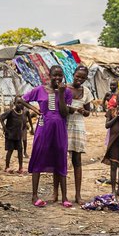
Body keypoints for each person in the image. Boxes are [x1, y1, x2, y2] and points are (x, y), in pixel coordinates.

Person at [22, 64, 72, 207]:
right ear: (49, 76)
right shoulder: (39, 90)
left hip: (60, 129)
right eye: (55, 75)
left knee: (61, 158)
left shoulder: (66, 92)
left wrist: (61, 94)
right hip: (43, 128)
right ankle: (34, 196)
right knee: (38, 157)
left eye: (60, 75)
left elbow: (64, 113)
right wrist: (35, 110)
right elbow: (20, 100)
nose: (57, 78)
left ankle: (64, 198)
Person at [65, 65, 94, 206]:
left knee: (77, 160)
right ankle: (61, 195)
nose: (79, 79)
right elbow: (59, 109)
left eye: (82, 78)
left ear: (85, 79)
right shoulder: (64, 89)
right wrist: (68, 110)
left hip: (78, 126)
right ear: (73, 74)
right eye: (78, 76)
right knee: (61, 160)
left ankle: (77, 195)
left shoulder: (86, 92)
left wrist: (83, 111)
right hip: (64, 125)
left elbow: (88, 112)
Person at [0, 97, 28, 174]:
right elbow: (1, 118)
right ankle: (7, 167)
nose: (20, 104)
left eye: (21, 103)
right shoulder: (11, 112)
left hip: (18, 136)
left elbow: (24, 123)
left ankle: (20, 167)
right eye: (18, 103)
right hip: (10, 135)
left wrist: (22, 130)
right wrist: (4, 128)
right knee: (10, 151)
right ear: (14, 104)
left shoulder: (22, 113)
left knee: (20, 151)